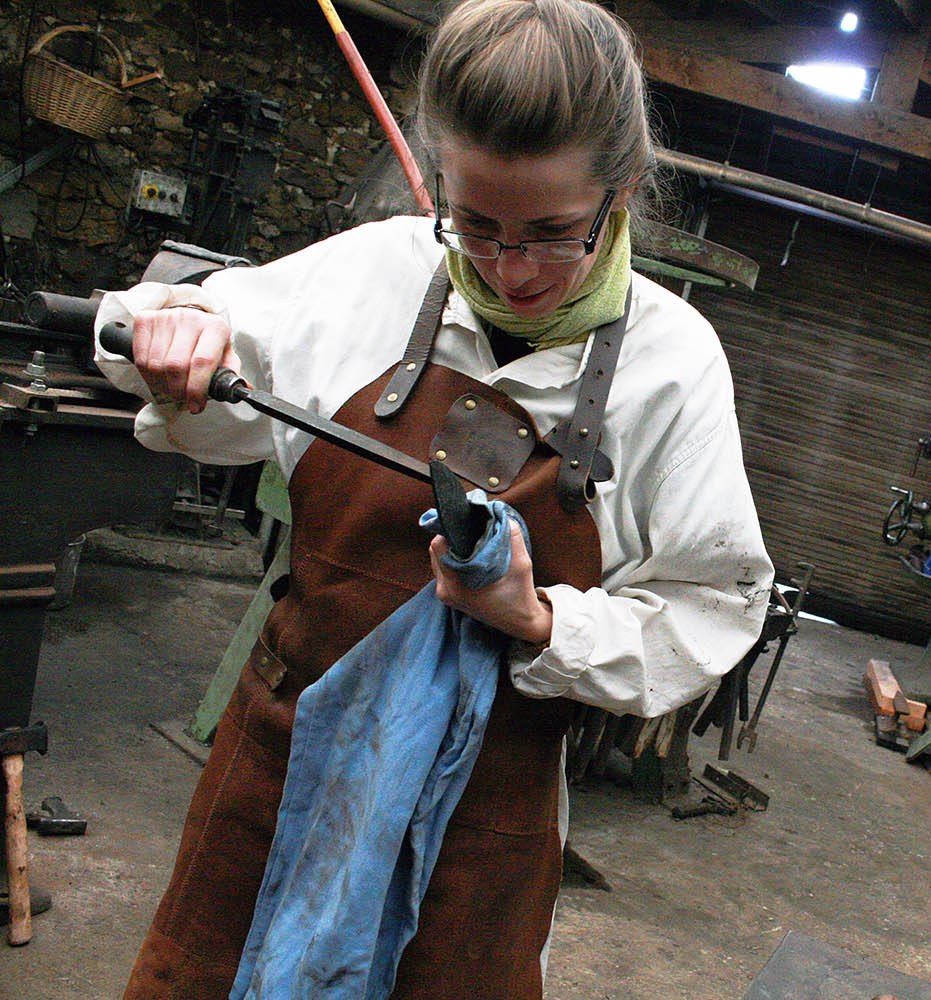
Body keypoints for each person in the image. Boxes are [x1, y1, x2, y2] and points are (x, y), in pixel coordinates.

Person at [93, 1, 774, 996]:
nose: (511, 269)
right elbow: (150, 321)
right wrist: (178, 327)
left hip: (484, 815)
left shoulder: (671, 364)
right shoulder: (377, 270)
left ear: (621, 192)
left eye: (552, 234)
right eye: (477, 225)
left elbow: (713, 606)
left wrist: (542, 621)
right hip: (280, 765)